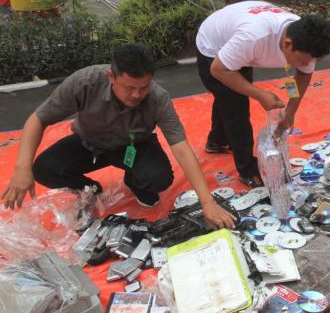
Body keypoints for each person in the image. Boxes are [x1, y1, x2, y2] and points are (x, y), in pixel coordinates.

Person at [1, 43, 236, 229]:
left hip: (133, 147)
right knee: (43, 168)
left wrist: (208, 203)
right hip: (88, 144)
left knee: (159, 178)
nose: (136, 95)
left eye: (143, 87)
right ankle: (89, 188)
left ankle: (133, 181)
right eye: (129, 87)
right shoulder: (85, 82)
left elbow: (182, 147)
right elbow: (38, 118)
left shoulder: (157, 97)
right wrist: (22, 168)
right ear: (111, 77)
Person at [196, 1, 330, 187]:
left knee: (228, 97)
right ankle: (248, 170)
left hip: (237, 42)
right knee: (236, 106)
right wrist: (260, 94)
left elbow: (304, 74)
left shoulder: (306, 41)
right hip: (212, 49)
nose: (303, 64)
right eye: (300, 60)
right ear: (287, 44)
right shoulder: (254, 37)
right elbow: (219, 70)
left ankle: (217, 141)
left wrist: (290, 112)